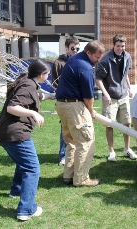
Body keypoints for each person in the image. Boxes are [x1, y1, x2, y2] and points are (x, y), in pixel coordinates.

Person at [0, 59, 55, 221]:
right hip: (14, 133)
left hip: (3, 131)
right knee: (32, 168)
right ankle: (26, 210)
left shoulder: (28, 82)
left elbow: (38, 96)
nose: (48, 76)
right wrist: (34, 113)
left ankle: (16, 190)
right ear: (42, 75)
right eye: (47, 74)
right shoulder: (27, 85)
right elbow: (12, 107)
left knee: (24, 163)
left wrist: (55, 95)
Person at [55, 40, 105, 187]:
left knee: (71, 141)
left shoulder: (74, 59)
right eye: (97, 57)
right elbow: (88, 96)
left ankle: (68, 176)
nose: (99, 60)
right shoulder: (86, 67)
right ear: (88, 52)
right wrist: (91, 111)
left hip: (62, 105)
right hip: (74, 106)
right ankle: (81, 179)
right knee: (86, 141)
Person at [95, 34, 137, 162]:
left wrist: (130, 88)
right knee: (110, 124)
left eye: (123, 46)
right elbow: (98, 79)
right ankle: (111, 151)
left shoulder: (128, 56)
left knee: (127, 123)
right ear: (113, 45)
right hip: (110, 96)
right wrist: (106, 94)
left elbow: (126, 75)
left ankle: (127, 149)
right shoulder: (105, 59)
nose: (120, 48)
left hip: (123, 95)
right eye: (118, 46)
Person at [52, 37, 80, 166]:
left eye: (78, 48)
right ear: (67, 48)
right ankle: (63, 155)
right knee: (65, 128)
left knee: (77, 127)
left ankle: (74, 153)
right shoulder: (59, 63)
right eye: (73, 48)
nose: (75, 51)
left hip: (77, 101)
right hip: (64, 101)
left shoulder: (79, 61)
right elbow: (55, 83)